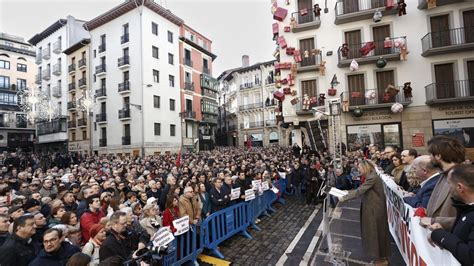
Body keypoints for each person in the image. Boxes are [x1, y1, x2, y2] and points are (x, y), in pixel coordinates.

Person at [338, 160, 390, 264]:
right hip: (372, 207)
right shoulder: (371, 176)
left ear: (365, 167)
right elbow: (360, 189)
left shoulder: (372, 177)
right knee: (375, 233)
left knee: (375, 233)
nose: (358, 170)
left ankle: (380, 259)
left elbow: (360, 191)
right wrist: (347, 193)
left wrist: (345, 197)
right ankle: (379, 258)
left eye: (360, 168)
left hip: (374, 209)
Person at [429, 164, 474, 265]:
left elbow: (471, 256)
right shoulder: (466, 208)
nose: (448, 189)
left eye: (449, 184)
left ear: (459, 187)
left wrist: (439, 234)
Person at [421, 136, 466, 230]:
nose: (429, 157)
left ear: (438, 156)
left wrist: (434, 221)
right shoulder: (443, 175)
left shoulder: (464, 178)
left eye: (430, 154)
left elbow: (468, 218)